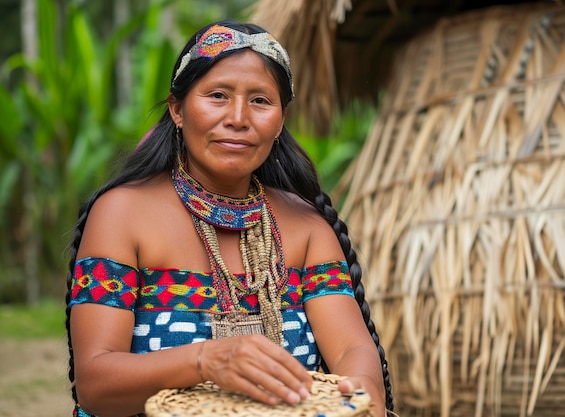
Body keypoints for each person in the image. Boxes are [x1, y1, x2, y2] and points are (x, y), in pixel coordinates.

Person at [65, 19, 393, 417]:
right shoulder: (122, 214)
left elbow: (352, 350)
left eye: (260, 101)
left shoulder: (306, 227)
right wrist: (206, 360)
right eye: (218, 95)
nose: (239, 117)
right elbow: (95, 383)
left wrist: (358, 391)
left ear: (280, 121)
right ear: (178, 110)